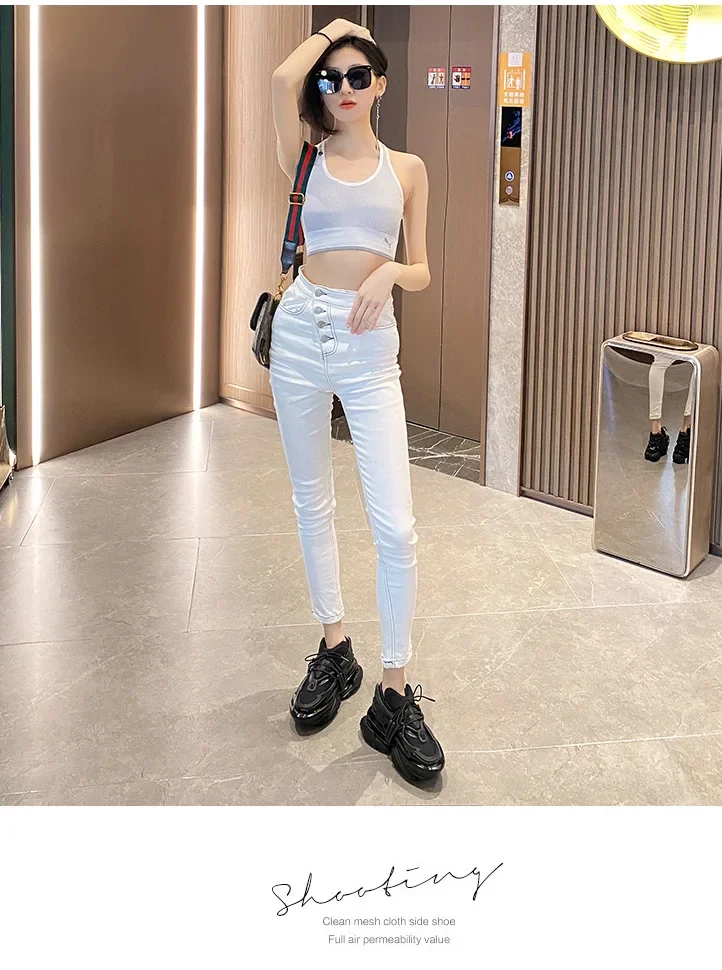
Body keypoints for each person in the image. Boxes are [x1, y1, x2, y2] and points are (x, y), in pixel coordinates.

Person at [269, 18, 444, 786]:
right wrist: (339, 29)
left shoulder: (407, 169)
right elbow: (283, 79)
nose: (342, 87)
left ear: (381, 85)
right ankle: (335, 649)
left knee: (396, 527)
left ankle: (394, 693)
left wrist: (392, 273)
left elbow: (423, 267)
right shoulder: (304, 157)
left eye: (358, 75)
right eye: (331, 77)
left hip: (371, 349)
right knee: (312, 502)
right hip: (301, 334)